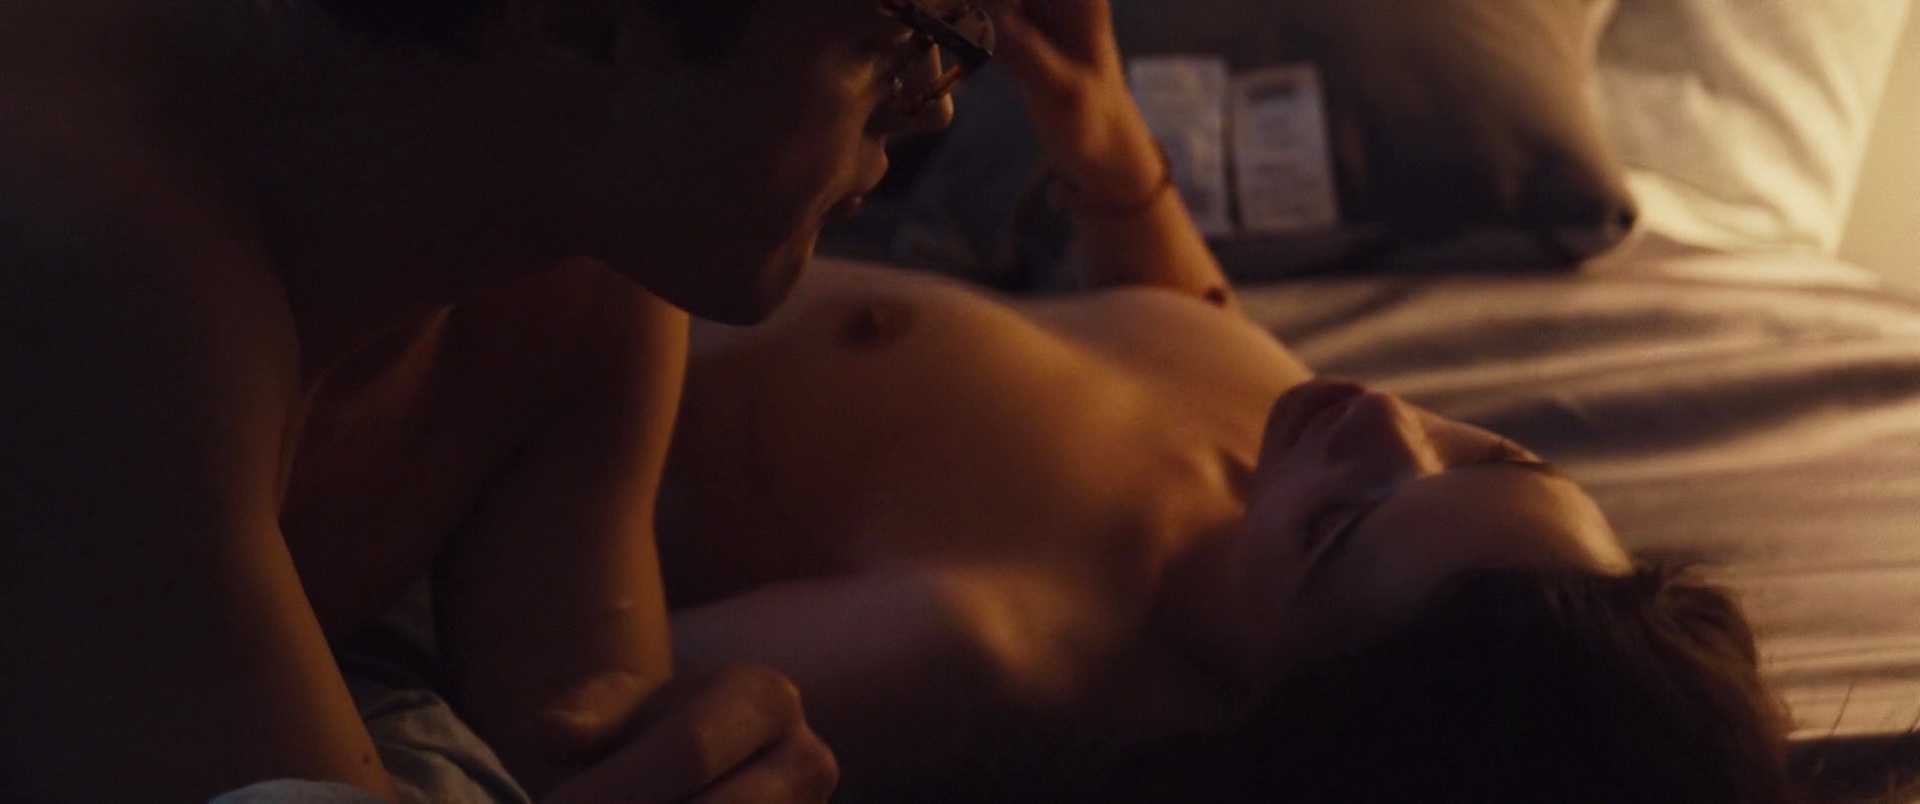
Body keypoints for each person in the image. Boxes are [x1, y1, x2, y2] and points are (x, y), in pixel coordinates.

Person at [649, 0, 1799, 800]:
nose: (1380, 417)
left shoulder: (995, 637)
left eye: (1341, 529)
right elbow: (1184, 340)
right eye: (1492, 457)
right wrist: (1097, 125)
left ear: (1274, 715)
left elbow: (595, 685)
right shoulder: (1287, 464)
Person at [0, 0, 975, 799]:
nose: (932, 105)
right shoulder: (94, 239)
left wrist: (706, 764)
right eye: (897, 34)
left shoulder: (589, 254)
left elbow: (579, 739)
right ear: (586, 24)